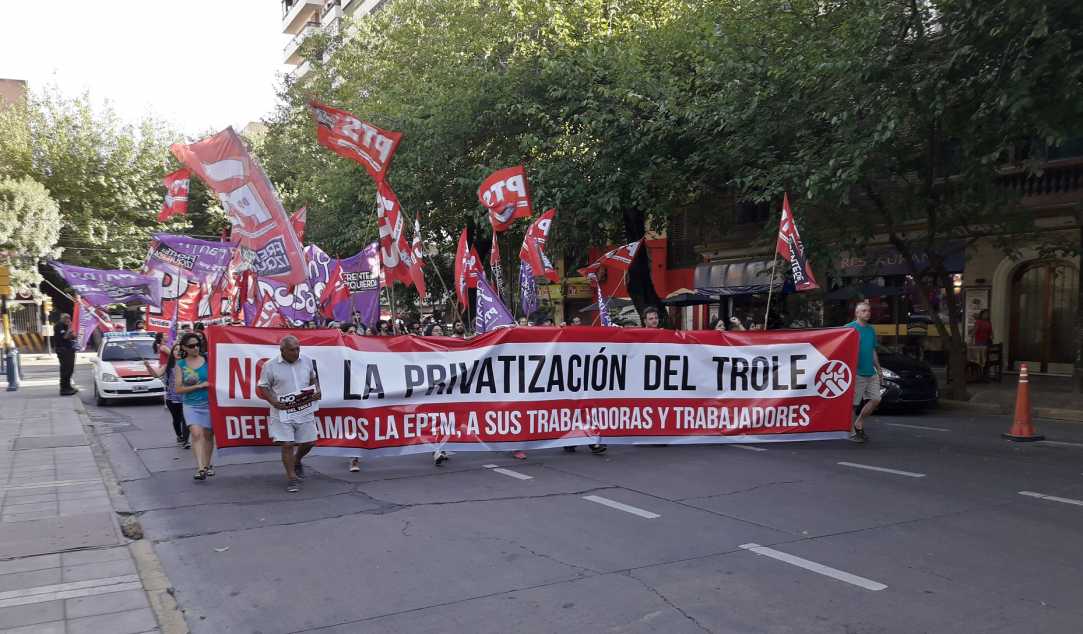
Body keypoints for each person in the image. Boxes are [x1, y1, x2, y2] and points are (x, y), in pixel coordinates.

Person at [256, 335, 322, 493]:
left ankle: (296, 460)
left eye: (298, 348)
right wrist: (273, 402)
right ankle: (292, 478)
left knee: (309, 443)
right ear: (282, 350)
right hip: (282, 411)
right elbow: (263, 386)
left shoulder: (306, 361)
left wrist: (317, 390)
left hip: (304, 410)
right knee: (287, 444)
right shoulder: (270, 366)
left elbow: (313, 378)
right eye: (292, 350)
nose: (296, 352)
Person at [174, 333, 215, 479]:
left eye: (198, 344)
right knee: (196, 434)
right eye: (191, 346)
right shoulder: (180, 365)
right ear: (184, 348)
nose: (195, 348)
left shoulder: (209, 359)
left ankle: (207, 465)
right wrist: (199, 386)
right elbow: (178, 389)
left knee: (208, 435)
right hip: (191, 405)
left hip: (209, 404)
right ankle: (200, 468)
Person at [846, 301, 881, 443]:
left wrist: (878, 368)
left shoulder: (871, 330)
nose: (867, 313)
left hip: (871, 372)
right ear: (857, 313)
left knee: (876, 399)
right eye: (864, 311)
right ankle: (851, 432)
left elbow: (872, 350)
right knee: (853, 405)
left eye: (869, 311)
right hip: (856, 373)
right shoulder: (849, 328)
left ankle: (858, 422)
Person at [145, 343, 189, 448]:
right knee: (177, 419)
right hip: (172, 398)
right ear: (172, 352)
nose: (178, 352)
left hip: (186, 397)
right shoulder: (167, 366)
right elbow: (156, 374)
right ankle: (179, 435)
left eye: (180, 350)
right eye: (176, 349)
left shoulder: (188, 365)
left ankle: (185, 440)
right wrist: (148, 366)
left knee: (185, 419)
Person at [53, 313, 78, 396]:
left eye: (69, 318)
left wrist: (72, 333)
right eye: (66, 318)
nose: (68, 320)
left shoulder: (66, 326)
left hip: (69, 350)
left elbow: (72, 336)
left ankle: (68, 387)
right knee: (65, 370)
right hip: (63, 350)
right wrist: (70, 328)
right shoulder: (59, 326)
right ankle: (64, 389)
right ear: (62, 318)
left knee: (70, 369)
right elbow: (65, 337)